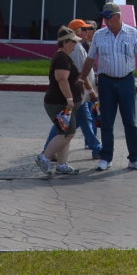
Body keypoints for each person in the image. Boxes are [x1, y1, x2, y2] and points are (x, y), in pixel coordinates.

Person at [83, 2, 137, 171]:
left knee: (130, 122)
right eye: (103, 17)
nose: (105, 20)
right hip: (106, 82)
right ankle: (106, 157)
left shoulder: (131, 33)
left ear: (118, 16)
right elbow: (90, 59)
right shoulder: (99, 35)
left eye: (108, 17)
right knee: (106, 122)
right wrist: (81, 79)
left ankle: (135, 158)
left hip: (126, 81)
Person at [43, 21, 101, 158]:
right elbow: (70, 77)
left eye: (89, 29)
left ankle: (58, 158)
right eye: (85, 29)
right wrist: (74, 97)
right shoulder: (70, 53)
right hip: (77, 96)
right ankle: (46, 155)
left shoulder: (77, 48)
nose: (88, 32)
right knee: (68, 127)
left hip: (80, 95)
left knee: (68, 126)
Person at [36, 33, 83, 177]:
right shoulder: (62, 58)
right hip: (59, 103)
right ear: (65, 42)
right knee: (68, 133)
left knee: (65, 134)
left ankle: (62, 165)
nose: (75, 45)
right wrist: (69, 99)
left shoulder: (64, 56)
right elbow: (62, 79)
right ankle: (44, 158)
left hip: (62, 102)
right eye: (73, 42)